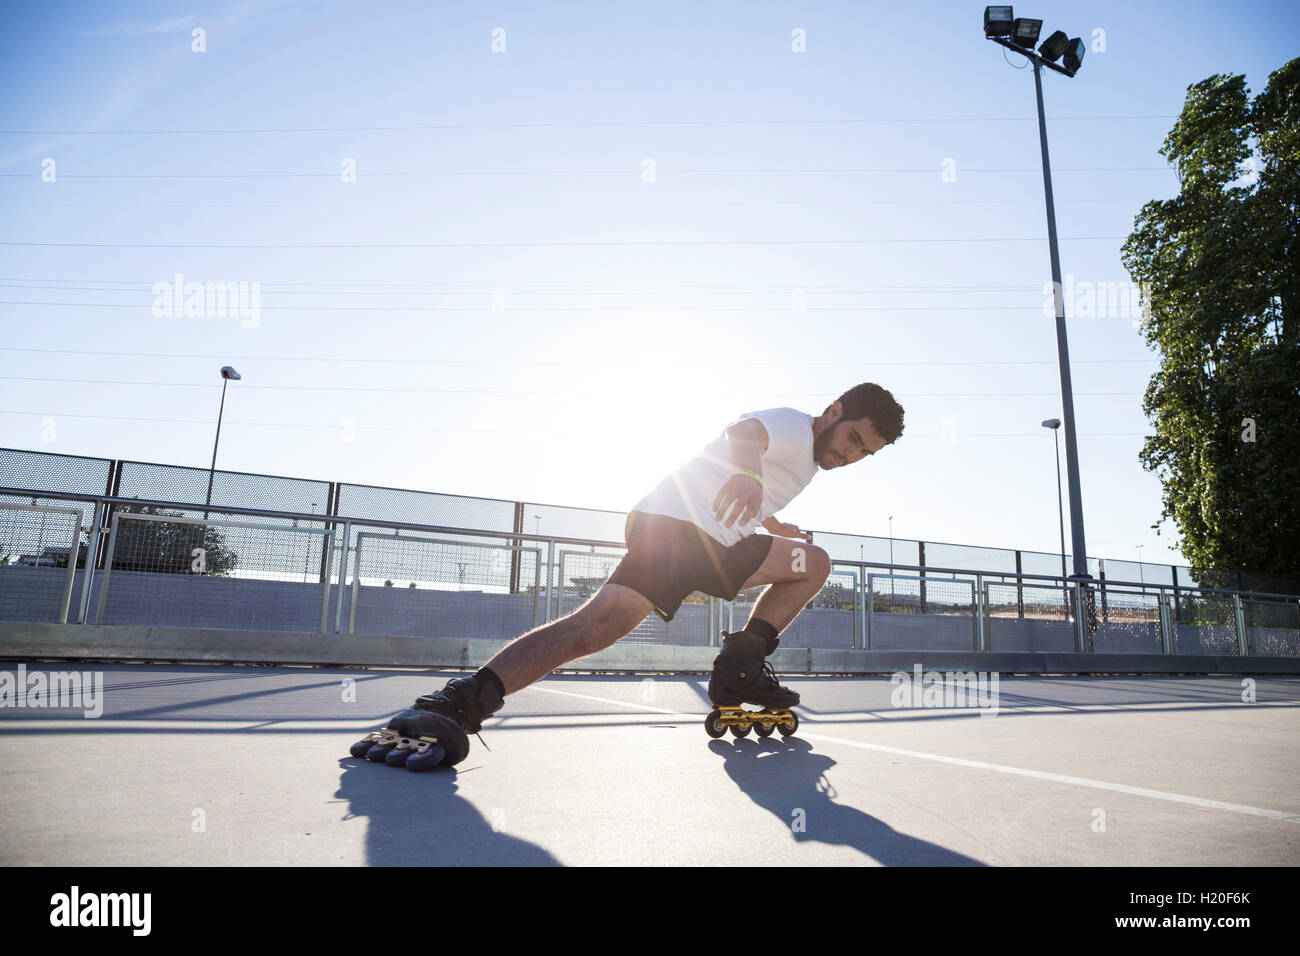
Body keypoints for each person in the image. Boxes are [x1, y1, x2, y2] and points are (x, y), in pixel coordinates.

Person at [350, 382, 906, 770]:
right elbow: (743, 435)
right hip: (682, 531)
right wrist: (747, 474)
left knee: (810, 564)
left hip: (713, 540)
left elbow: (747, 482)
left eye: (868, 453)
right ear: (834, 411)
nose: (854, 455)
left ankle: (740, 666)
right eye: (855, 439)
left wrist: (775, 519)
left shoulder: (804, 459)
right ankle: (454, 703)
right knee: (595, 628)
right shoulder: (791, 425)